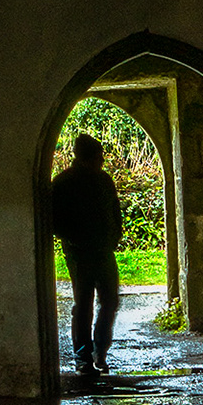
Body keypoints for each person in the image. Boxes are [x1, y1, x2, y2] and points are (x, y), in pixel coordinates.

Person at [49, 131, 124, 375]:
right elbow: (55, 220)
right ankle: (88, 355)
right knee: (88, 304)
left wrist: (113, 236)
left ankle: (95, 353)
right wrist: (75, 239)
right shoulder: (67, 183)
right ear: (88, 158)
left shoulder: (96, 180)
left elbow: (114, 211)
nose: (102, 161)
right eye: (99, 156)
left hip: (97, 249)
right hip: (81, 251)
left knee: (104, 302)